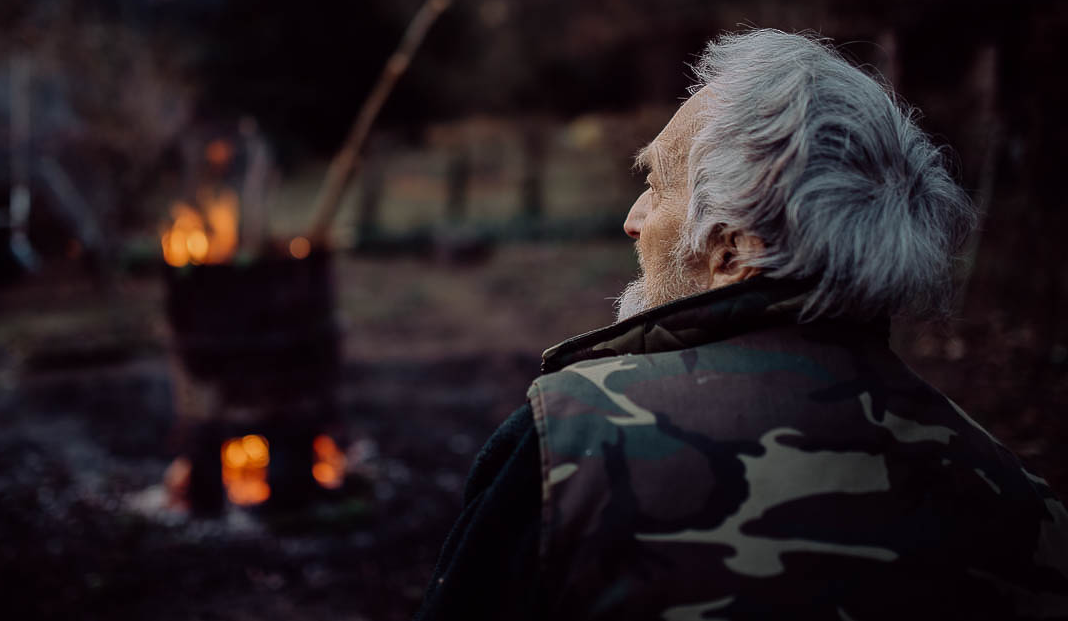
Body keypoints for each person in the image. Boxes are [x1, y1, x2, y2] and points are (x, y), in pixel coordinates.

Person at [414, 30, 1068, 621]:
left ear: (731, 252)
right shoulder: (1026, 504)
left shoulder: (571, 441)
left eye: (657, 186)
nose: (633, 220)